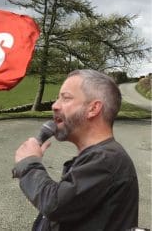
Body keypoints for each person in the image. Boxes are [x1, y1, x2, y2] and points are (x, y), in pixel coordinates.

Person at [12, 69, 139, 231]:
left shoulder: (106, 159)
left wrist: (29, 164)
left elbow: (54, 204)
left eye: (66, 98)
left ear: (93, 108)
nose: (55, 105)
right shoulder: (100, 157)